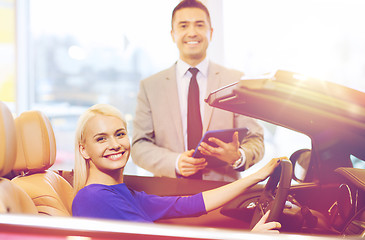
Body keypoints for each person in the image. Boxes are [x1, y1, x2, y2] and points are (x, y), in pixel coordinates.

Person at [72, 103, 283, 233]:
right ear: (84, 150)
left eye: (119, 134)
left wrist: (258, 176)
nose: (115, 144)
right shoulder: (94, 197)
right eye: (101, 139)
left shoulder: (122, 194)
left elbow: (192, 204)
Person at [131, 0, 264, 181]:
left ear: (210, 32)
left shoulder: (235, 81)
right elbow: (139, 146)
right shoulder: (150, 86)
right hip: (169, 193)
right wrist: (175, 162)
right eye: (183, 25)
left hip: (223, 191)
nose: (192, 32)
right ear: (173, 34)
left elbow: (256, 139)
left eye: (199, 25)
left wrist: (238, 155)